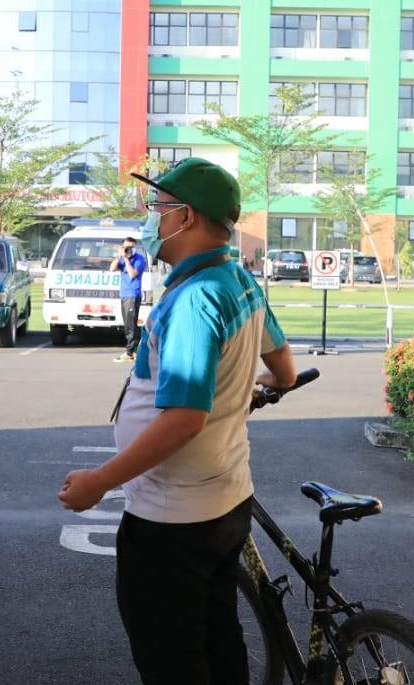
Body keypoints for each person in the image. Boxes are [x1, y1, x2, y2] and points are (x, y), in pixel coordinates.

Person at [58, 157, 295, 684]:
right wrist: (255, 387)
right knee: (217, 636)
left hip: (173, 520)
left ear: (185, 218)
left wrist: (99, 481)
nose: (151, 220)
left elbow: (185, 419)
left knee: (174, 660)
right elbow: (283, 366)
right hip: (226, 500)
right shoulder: (238, 279)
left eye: (157, 208)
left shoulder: (193, 300)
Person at [109, 236, 147, 363]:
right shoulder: (122, 258)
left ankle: (130, 352)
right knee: (127, 324)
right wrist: (119, 256)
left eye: (131, 247)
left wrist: (126, 259)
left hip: (133, 294)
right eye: (126, 247)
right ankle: (135, 351)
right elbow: (112, 269)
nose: (129, 250)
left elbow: (132, 274)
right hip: (124, 294)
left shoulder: (139, 259)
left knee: (131, 325)